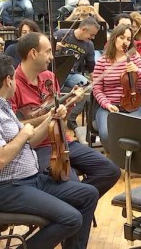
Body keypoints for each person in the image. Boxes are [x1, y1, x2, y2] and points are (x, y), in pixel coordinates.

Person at [0, 53, 99, 249]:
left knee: (88, 194)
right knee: (71, 218)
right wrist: (22, 135)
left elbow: (31, 141)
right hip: (3, 189)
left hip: (28, 180)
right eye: (13, 78)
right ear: (8, 81)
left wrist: (51, 118)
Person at [10, 32, 121, 200]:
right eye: (47, 52)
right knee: (74, 189)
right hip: (37, 148)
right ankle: (75, 203)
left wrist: (70, 104)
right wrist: (47, 116)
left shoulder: (49, 77)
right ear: (33, 53)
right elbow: (14, 125)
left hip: (62, 140)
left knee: (110, 171)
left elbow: (60, 116)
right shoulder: (13, 86)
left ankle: (76, 203)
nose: (52, 57)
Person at [93, 24, 141, 153]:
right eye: (122, 37)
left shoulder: (135, 59)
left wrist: (138, 72)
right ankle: (114, 160)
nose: (125, 42)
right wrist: (106, 104)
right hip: (109, 106)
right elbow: (97, 89)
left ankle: (134, 163)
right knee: (107, 135)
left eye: (128, 39)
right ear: (114, 38)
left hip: (132, 104)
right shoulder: (102, 61)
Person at [55, 17, 99, 129]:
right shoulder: (61, 34)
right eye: (91, 34)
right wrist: (53, 47)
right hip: (55, 72)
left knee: (87, 87)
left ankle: (71, 117)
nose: (92, 38)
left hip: (72, 74)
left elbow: (91, 66)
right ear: (84, 29)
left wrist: (95, 83)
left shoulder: (89, 45)